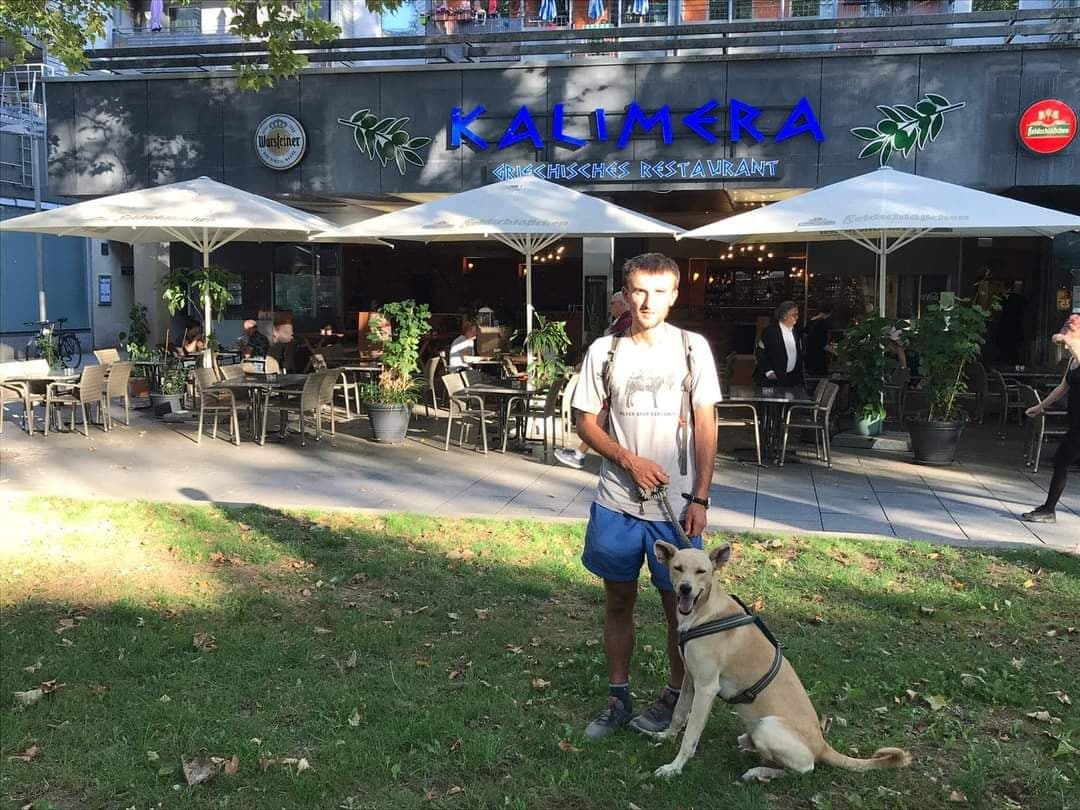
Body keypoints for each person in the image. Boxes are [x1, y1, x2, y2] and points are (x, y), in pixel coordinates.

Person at [571, 253, 722, 740]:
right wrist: (627, 459)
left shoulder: (692, 349)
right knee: (618, 599)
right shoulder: (604, 351)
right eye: (638, 290)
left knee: (678, 606)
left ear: (674, 295)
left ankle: (676, 698)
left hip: (675, 507)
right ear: (625, 292)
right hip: (616, 501)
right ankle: (618, 698)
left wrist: (700, 497)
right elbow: (585, 422)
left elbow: (706, 424)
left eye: (658, 292)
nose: (647, 301)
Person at [554, 291, 631, 469]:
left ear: (622, 304)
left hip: (613, 379)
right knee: (600, 413)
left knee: (599, 413)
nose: (610, 307)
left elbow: (613, 351)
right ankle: (582, 452)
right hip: (610, 378)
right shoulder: (620, 323)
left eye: (612, 303)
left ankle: (582, 453)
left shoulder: (626, 323)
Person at [1021, 314, 1080, 524]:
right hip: (1076, 423)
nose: (1068, 325)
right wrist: (1039, 407)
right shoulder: (1072, 360)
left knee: (1061, 460)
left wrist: (1067, 340)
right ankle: (1049, 509)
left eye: (1071, 328)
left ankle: (1049, 509)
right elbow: (1062, 388)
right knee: (1061, 461)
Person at [755, 300, 803, 387]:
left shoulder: (796, 331)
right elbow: (760, 352)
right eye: (794, 315)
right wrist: (769, 372)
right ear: (784, 316)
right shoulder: (770, 331)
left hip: (790, 379)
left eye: (797, 314)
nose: (797, 317)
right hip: (772, 380)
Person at [996, 281, 1027, 365]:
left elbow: (997, 312)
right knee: (1014, 348)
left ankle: (1004, 363)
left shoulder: (1002, 298)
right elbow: (1027, 309)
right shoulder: (1019, 298)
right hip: (1016, 325)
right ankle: (1013, 363)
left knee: (1004, 347)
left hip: (1005, 325)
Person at [803, 302, 833, 376]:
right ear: (830, 312)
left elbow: (806, 335)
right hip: (818, 359)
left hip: (809, 356)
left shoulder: (811, 321)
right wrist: (835, 352)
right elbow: (822, 344)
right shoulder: (822, 323)